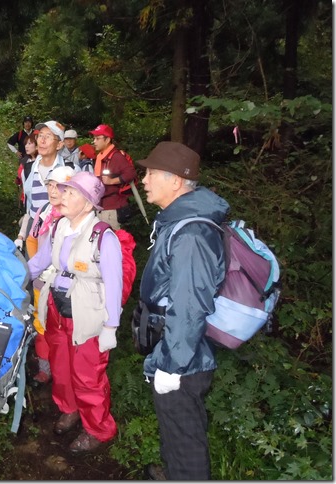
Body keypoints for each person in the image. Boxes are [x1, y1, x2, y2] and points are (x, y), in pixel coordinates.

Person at [135, 141, 229, 480]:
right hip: (173, 346)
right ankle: (173, 473)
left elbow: (190, 305)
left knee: (186, 434)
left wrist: (173, 365)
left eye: (150, 173)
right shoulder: (178, 221)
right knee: (174, 426)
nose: (143, 180)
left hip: (185, 356)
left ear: (175, 181)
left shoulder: (192, 233)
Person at [27, 171, 122, 454]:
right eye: (63, 190)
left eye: (71, 192)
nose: (62, 195)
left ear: (90, 203)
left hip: (88, 315)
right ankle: (68, 408)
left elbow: (114, 284)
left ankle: (98, 428)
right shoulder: (58, 228)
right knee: (61, 367)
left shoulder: (103, 237)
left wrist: (111, 327)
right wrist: (9, 278)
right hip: (57, 309)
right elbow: (38, 263)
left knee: (88, 375)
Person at [23, 165, 75, 385]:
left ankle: (68, 372)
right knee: (40, 324)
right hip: (40, 281)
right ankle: (46, 368)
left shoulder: (76, 215)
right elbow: (32, 239)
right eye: (50, 185)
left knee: (64, 330)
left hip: (66, 288)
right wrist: (37, 266)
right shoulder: (43, 210)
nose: (53, 191)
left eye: (59, 187)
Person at [17, 120, 76, 247]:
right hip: (34, 229)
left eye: (48, 137)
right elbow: (29, 205)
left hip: (60, 229)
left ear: (59, 144)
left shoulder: (71, 171)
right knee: (32, 266)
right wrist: (22, 234)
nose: (42, 141)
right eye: (40, 136)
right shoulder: (28, 169)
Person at [89, 123, 137, 230]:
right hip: (102, 207)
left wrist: (112, 181)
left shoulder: (116, 156)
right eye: (94, 138)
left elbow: (131, 173)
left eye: (97, 138)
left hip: (112, 209)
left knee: (111, 240)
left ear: (107, 140)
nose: (94, 142)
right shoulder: (101, 156)